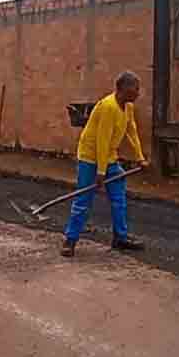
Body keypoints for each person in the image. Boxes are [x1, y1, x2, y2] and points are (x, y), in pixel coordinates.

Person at [61, 71, 148, 258]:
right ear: (122, 89)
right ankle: (70, 240)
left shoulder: (128, 107)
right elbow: (102, 140)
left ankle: (120, 237)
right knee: (83, 199)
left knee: (119, 198)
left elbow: (131, 132)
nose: (138, 93)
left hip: (108, 157)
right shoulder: (108, 106)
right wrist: (100, 172)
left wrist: (140, 157)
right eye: (135, 88)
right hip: (90, 157)